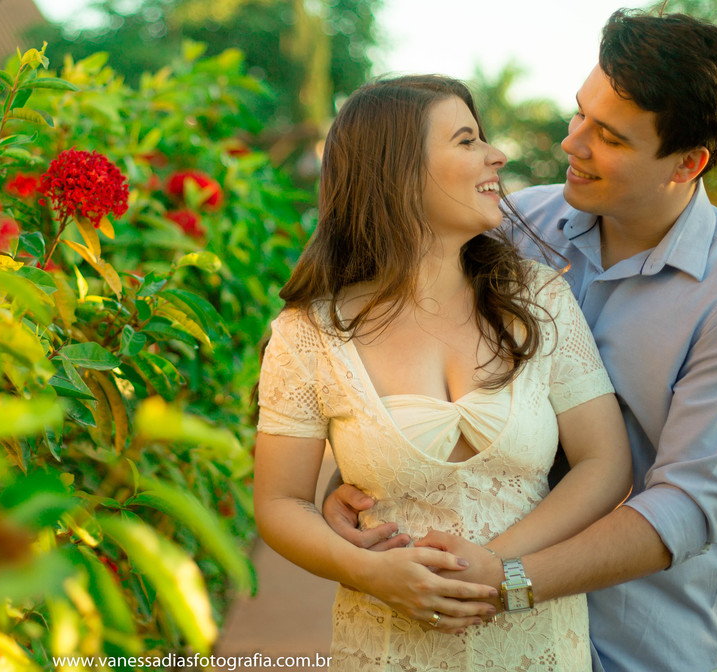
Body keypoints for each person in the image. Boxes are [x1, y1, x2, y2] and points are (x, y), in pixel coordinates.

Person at [323, 10, 717, 672]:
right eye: (580, 114)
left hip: (635, 640)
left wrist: (505, 578)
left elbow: (685, 505)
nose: (573, 142)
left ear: (687, 164)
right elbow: (420, 356)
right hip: (473, 630)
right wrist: (355, 481)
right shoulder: (515, 225)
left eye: (609, 137)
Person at [253, 74, 632, 671]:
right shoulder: (307, 334)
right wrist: (372, 573)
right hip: (386, 644)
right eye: (466, 140)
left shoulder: (539, 299)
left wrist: (496, 567)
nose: (496, 155)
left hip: (538, 645)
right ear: (397, 172)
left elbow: (605, 464)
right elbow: (279, 502)